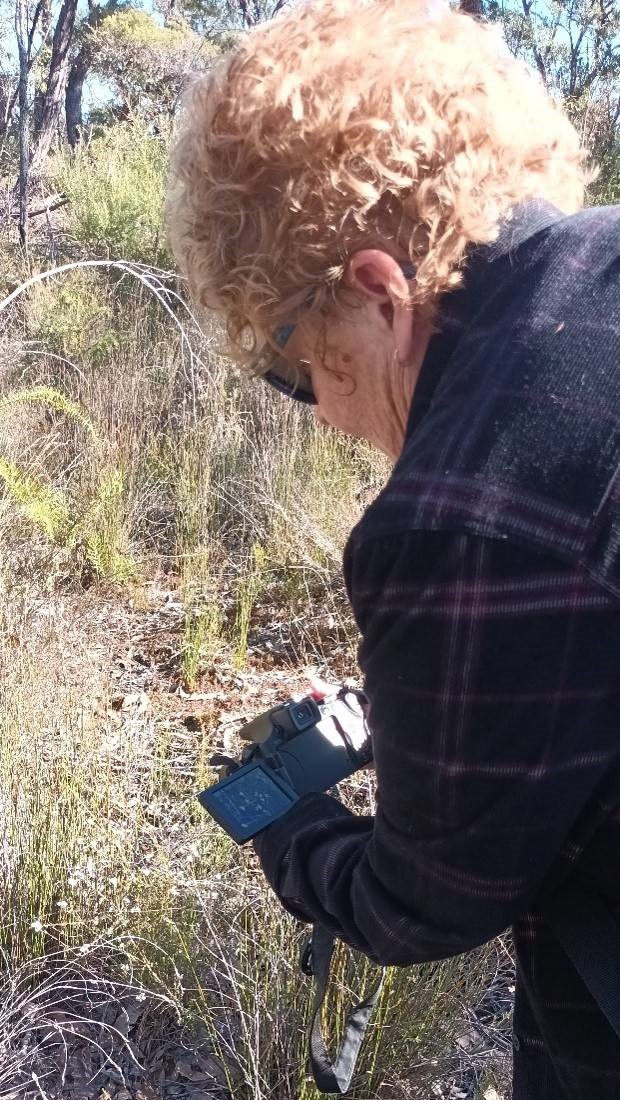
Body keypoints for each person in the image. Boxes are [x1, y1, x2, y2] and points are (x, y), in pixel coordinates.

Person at [166, 1, 620, 1096]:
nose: (321, 413)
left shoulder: (454, 511)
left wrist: (290, 824)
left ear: (376, 289)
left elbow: (420, 899)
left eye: (297, 367)